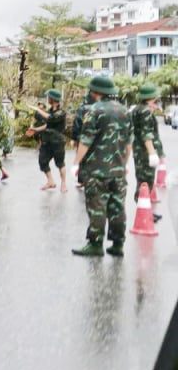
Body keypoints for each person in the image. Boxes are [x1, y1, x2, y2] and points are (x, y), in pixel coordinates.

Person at [72, 75, 132, 257]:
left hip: (97, 169)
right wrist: (124, 163)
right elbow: (128, 143)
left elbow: (86, 140)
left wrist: (77, 163)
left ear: (95, 92)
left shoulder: (94, 110)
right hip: (118, 169)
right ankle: (118, 244)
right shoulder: (124, 111)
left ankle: (95, 244)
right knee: (117, 206)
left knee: (97, 206)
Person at [130, 83, 165, 216]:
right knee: (146, 181)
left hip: (140, 150)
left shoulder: (139, 109)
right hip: (144, 152)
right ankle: (144, 212)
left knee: (143, 180)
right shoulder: (144, 111)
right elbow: (146, 133)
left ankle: (146, 210)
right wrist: (152, 153)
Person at [29, 89, 68, 192]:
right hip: (47, 141)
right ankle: (51, 181)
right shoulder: (50, 110)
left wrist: (38, 110)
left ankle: (63, 183)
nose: (47, 99)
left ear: (53, 99)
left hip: (57, 141)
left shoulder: (61, 112)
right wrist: (35, 129)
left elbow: (51, 118)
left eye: (49, 97)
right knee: (42, 161)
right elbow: (47, 125)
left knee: (60, 163)